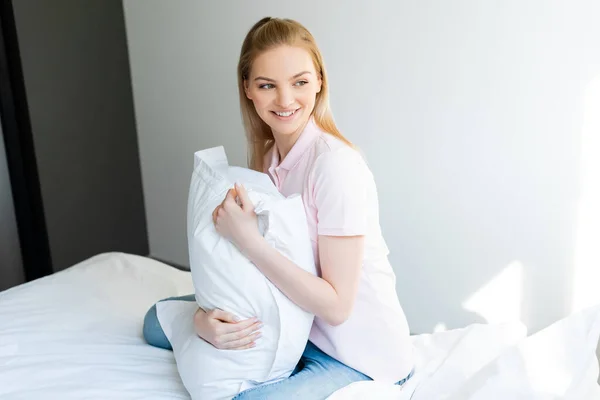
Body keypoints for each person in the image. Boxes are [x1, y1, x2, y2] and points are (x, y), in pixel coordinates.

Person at [143, 17, 414, 399]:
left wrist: (250, 241)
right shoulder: (270, 157)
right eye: (267, 85)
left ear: (319, 81)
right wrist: (204, 322)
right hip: (293, 322)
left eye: (300, 82)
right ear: (248, 90)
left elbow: (337, 308)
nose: (286, 101)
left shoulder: (336, 167)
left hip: (355, 357)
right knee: (154, 323)